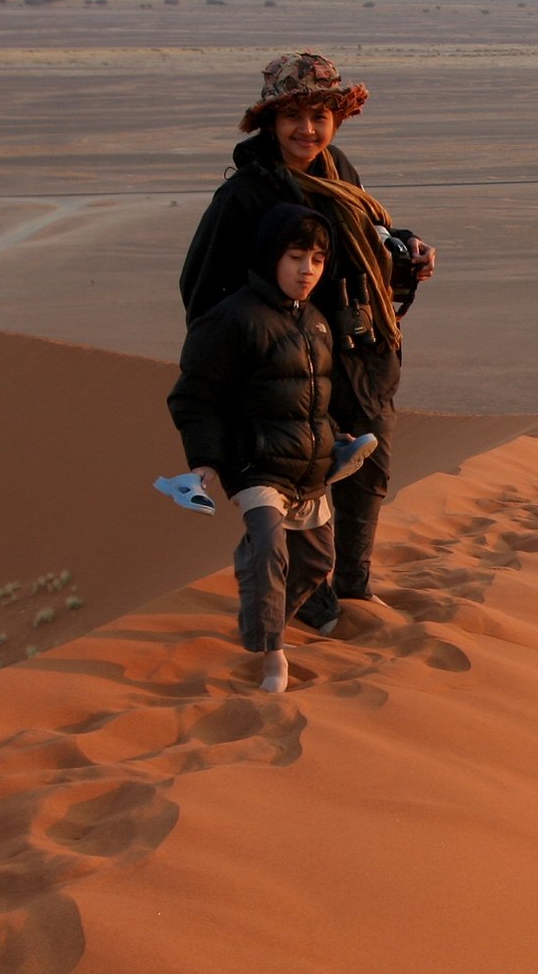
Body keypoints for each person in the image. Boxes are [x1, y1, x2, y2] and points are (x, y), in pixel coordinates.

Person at [180, 51, 434, 632]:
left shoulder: (337, 170)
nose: (307, 129)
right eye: (293, 116)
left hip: (363, 350)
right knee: (305, 478)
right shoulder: (247, 195)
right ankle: (313, 604)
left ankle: (354, 586)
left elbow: (364, 237)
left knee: (369, 472)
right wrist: (250, 355)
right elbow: (203, 290)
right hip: (289, 364)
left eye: (320, 116)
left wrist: (407, 247)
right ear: (270, 122)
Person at [168, 204, 344, 692]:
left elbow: (313, 399)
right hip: (255, 461)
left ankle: (268, 622)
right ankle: (272, 659)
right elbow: (194, 396)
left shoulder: (316, 321)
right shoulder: (232, 319)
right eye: (295, 257)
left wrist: (338, 437)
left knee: (317, 562)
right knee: (267, 547)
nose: (307, 270)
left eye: (317, 260)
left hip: (309, 467)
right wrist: (205, 462)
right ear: (271, 256)